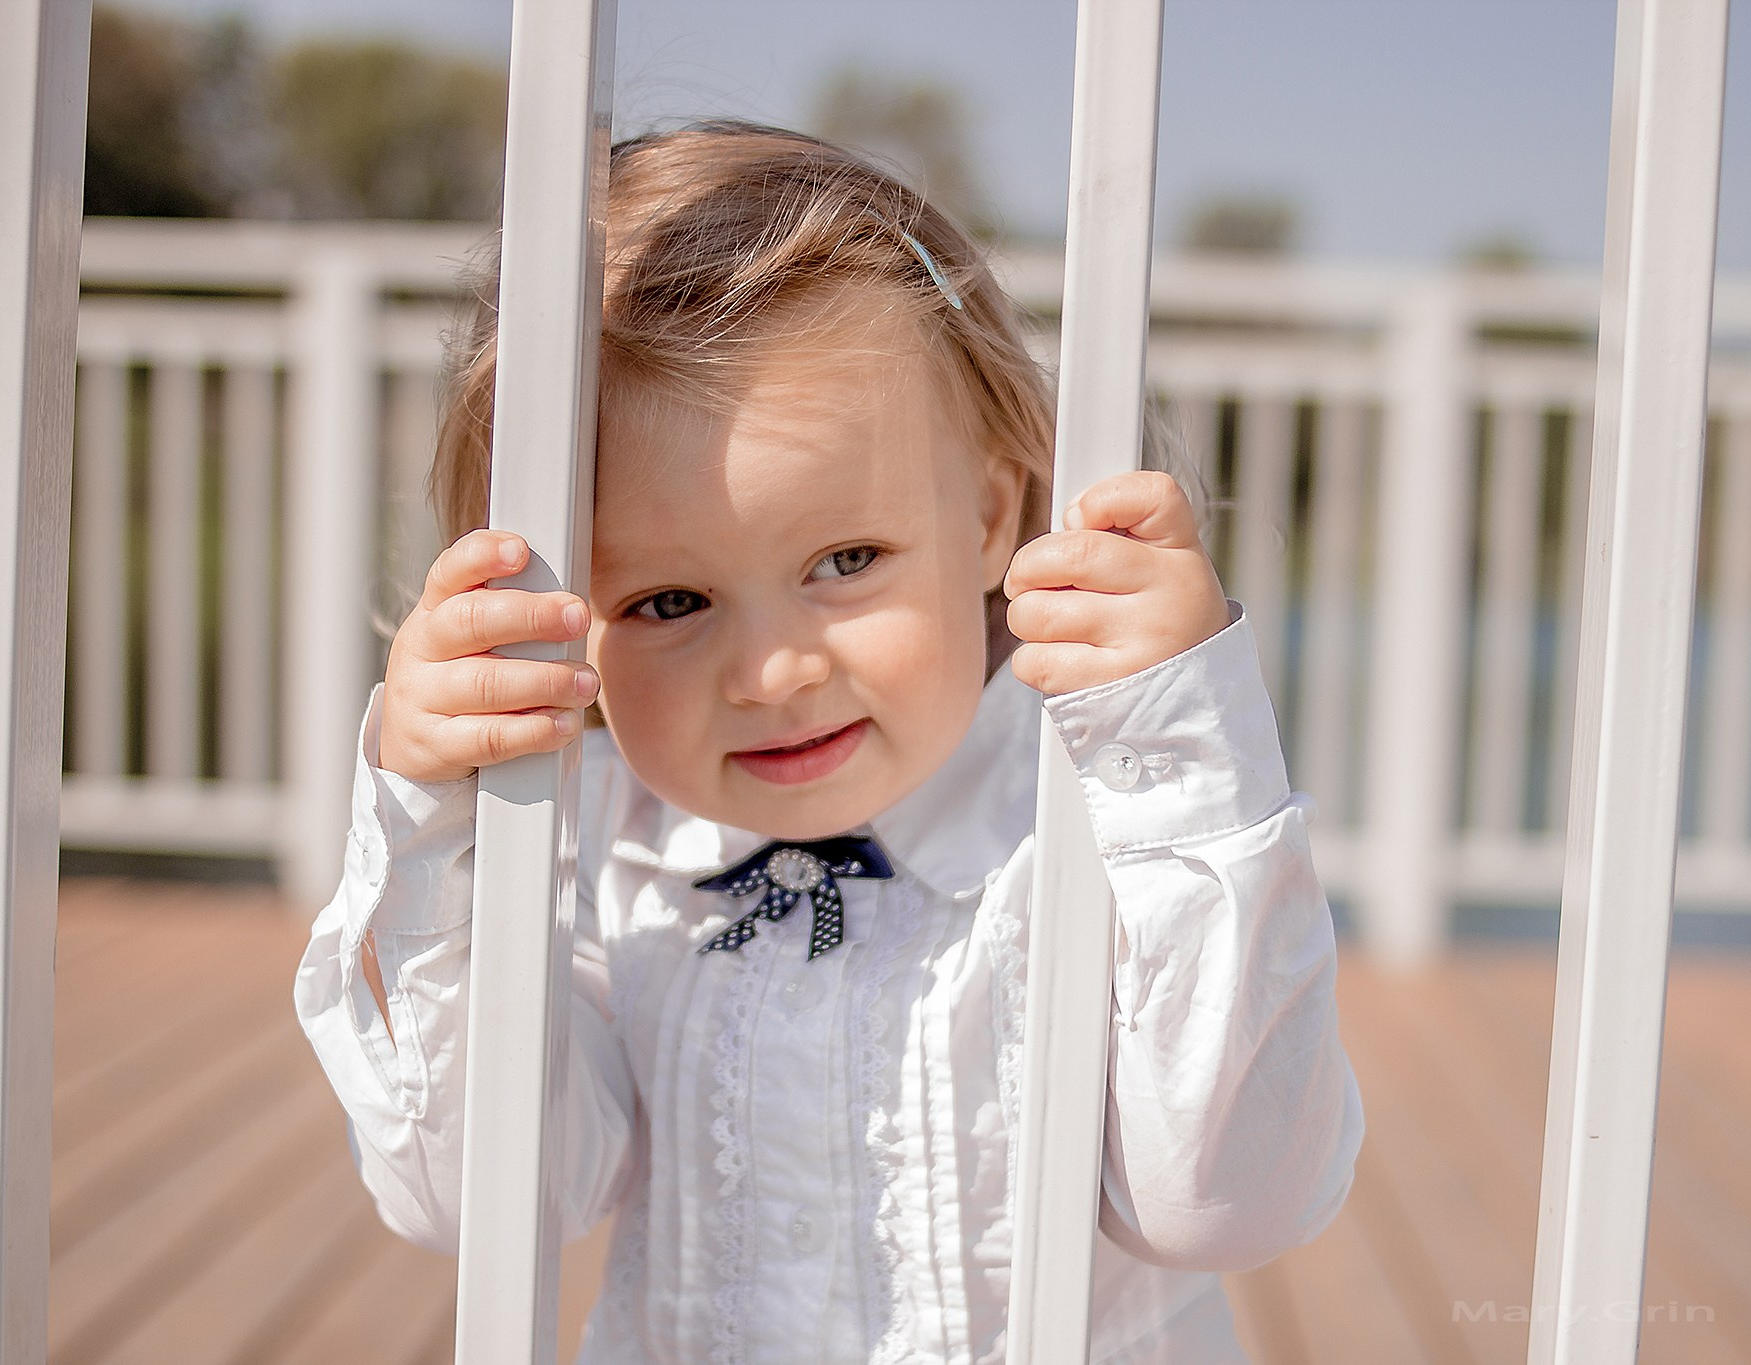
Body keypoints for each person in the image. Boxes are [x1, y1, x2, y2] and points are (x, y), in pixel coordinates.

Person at [295, 121, 1361, 1364]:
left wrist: (1176, 752)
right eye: (668, 603)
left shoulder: (1095, 818)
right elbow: (475, 1203)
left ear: (984, 515)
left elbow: (1229, 1202)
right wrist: (438, 833)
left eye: (844, 562)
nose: (773, 673)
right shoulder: (581, 847)